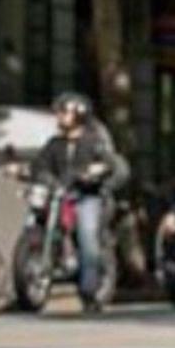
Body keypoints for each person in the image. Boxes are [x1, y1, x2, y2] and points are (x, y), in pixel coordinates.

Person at [31, 93, 127, 313]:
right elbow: (40, 165)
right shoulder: (55, 144)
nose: (59, 117)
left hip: (86, 196)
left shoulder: (94, 142)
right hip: (59, 196)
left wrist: (96, 171)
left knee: (87, 234)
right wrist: (27, 171)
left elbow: (109, 164)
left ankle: (89, 290)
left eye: (64, 112)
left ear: (79, 114)